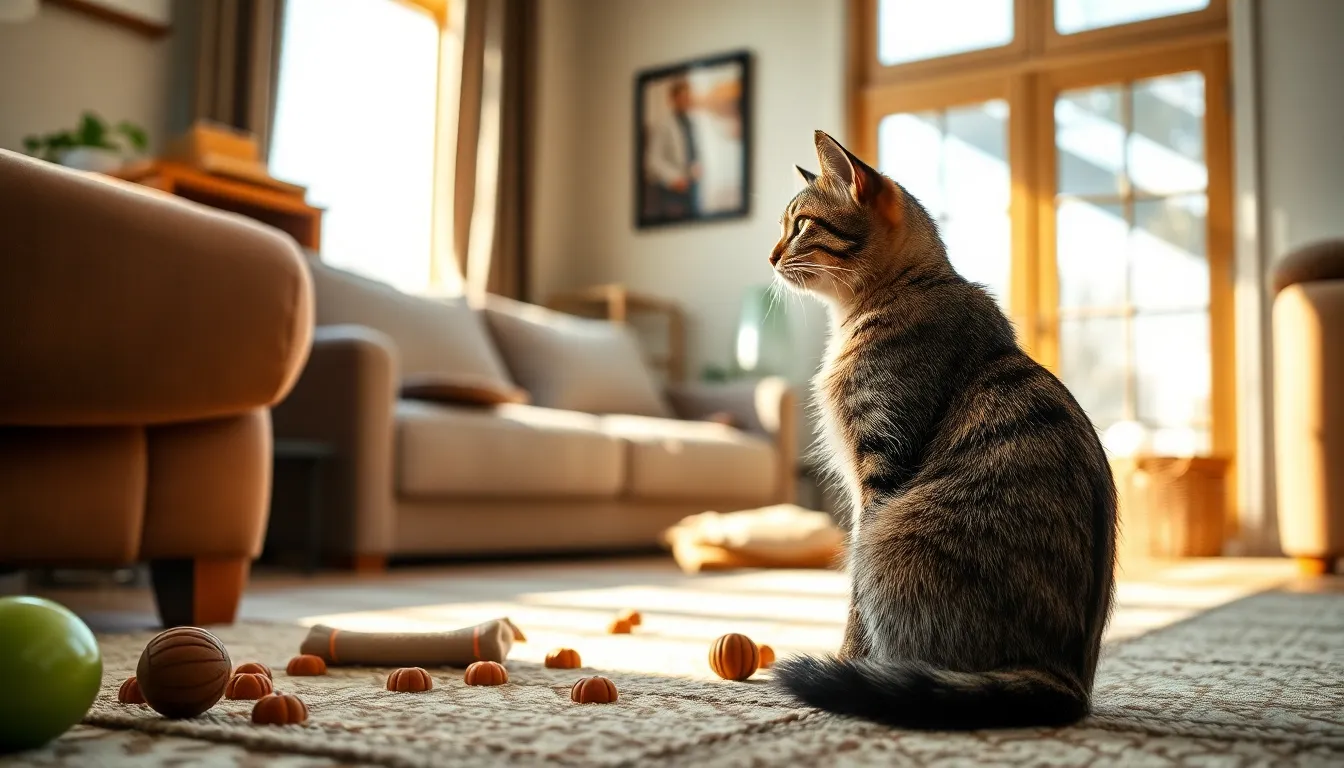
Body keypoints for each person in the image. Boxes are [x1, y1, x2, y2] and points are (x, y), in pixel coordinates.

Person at [644, 76, 702, 219]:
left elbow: (693, 153)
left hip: (691, 186)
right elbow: (653, 160)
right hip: (671, 190)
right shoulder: (663, 125)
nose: (685, 101)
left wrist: (697, 168)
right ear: (673, 99)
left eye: (687, 97)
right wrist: (674, 178)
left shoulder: (690, 123)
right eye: (682, 97)